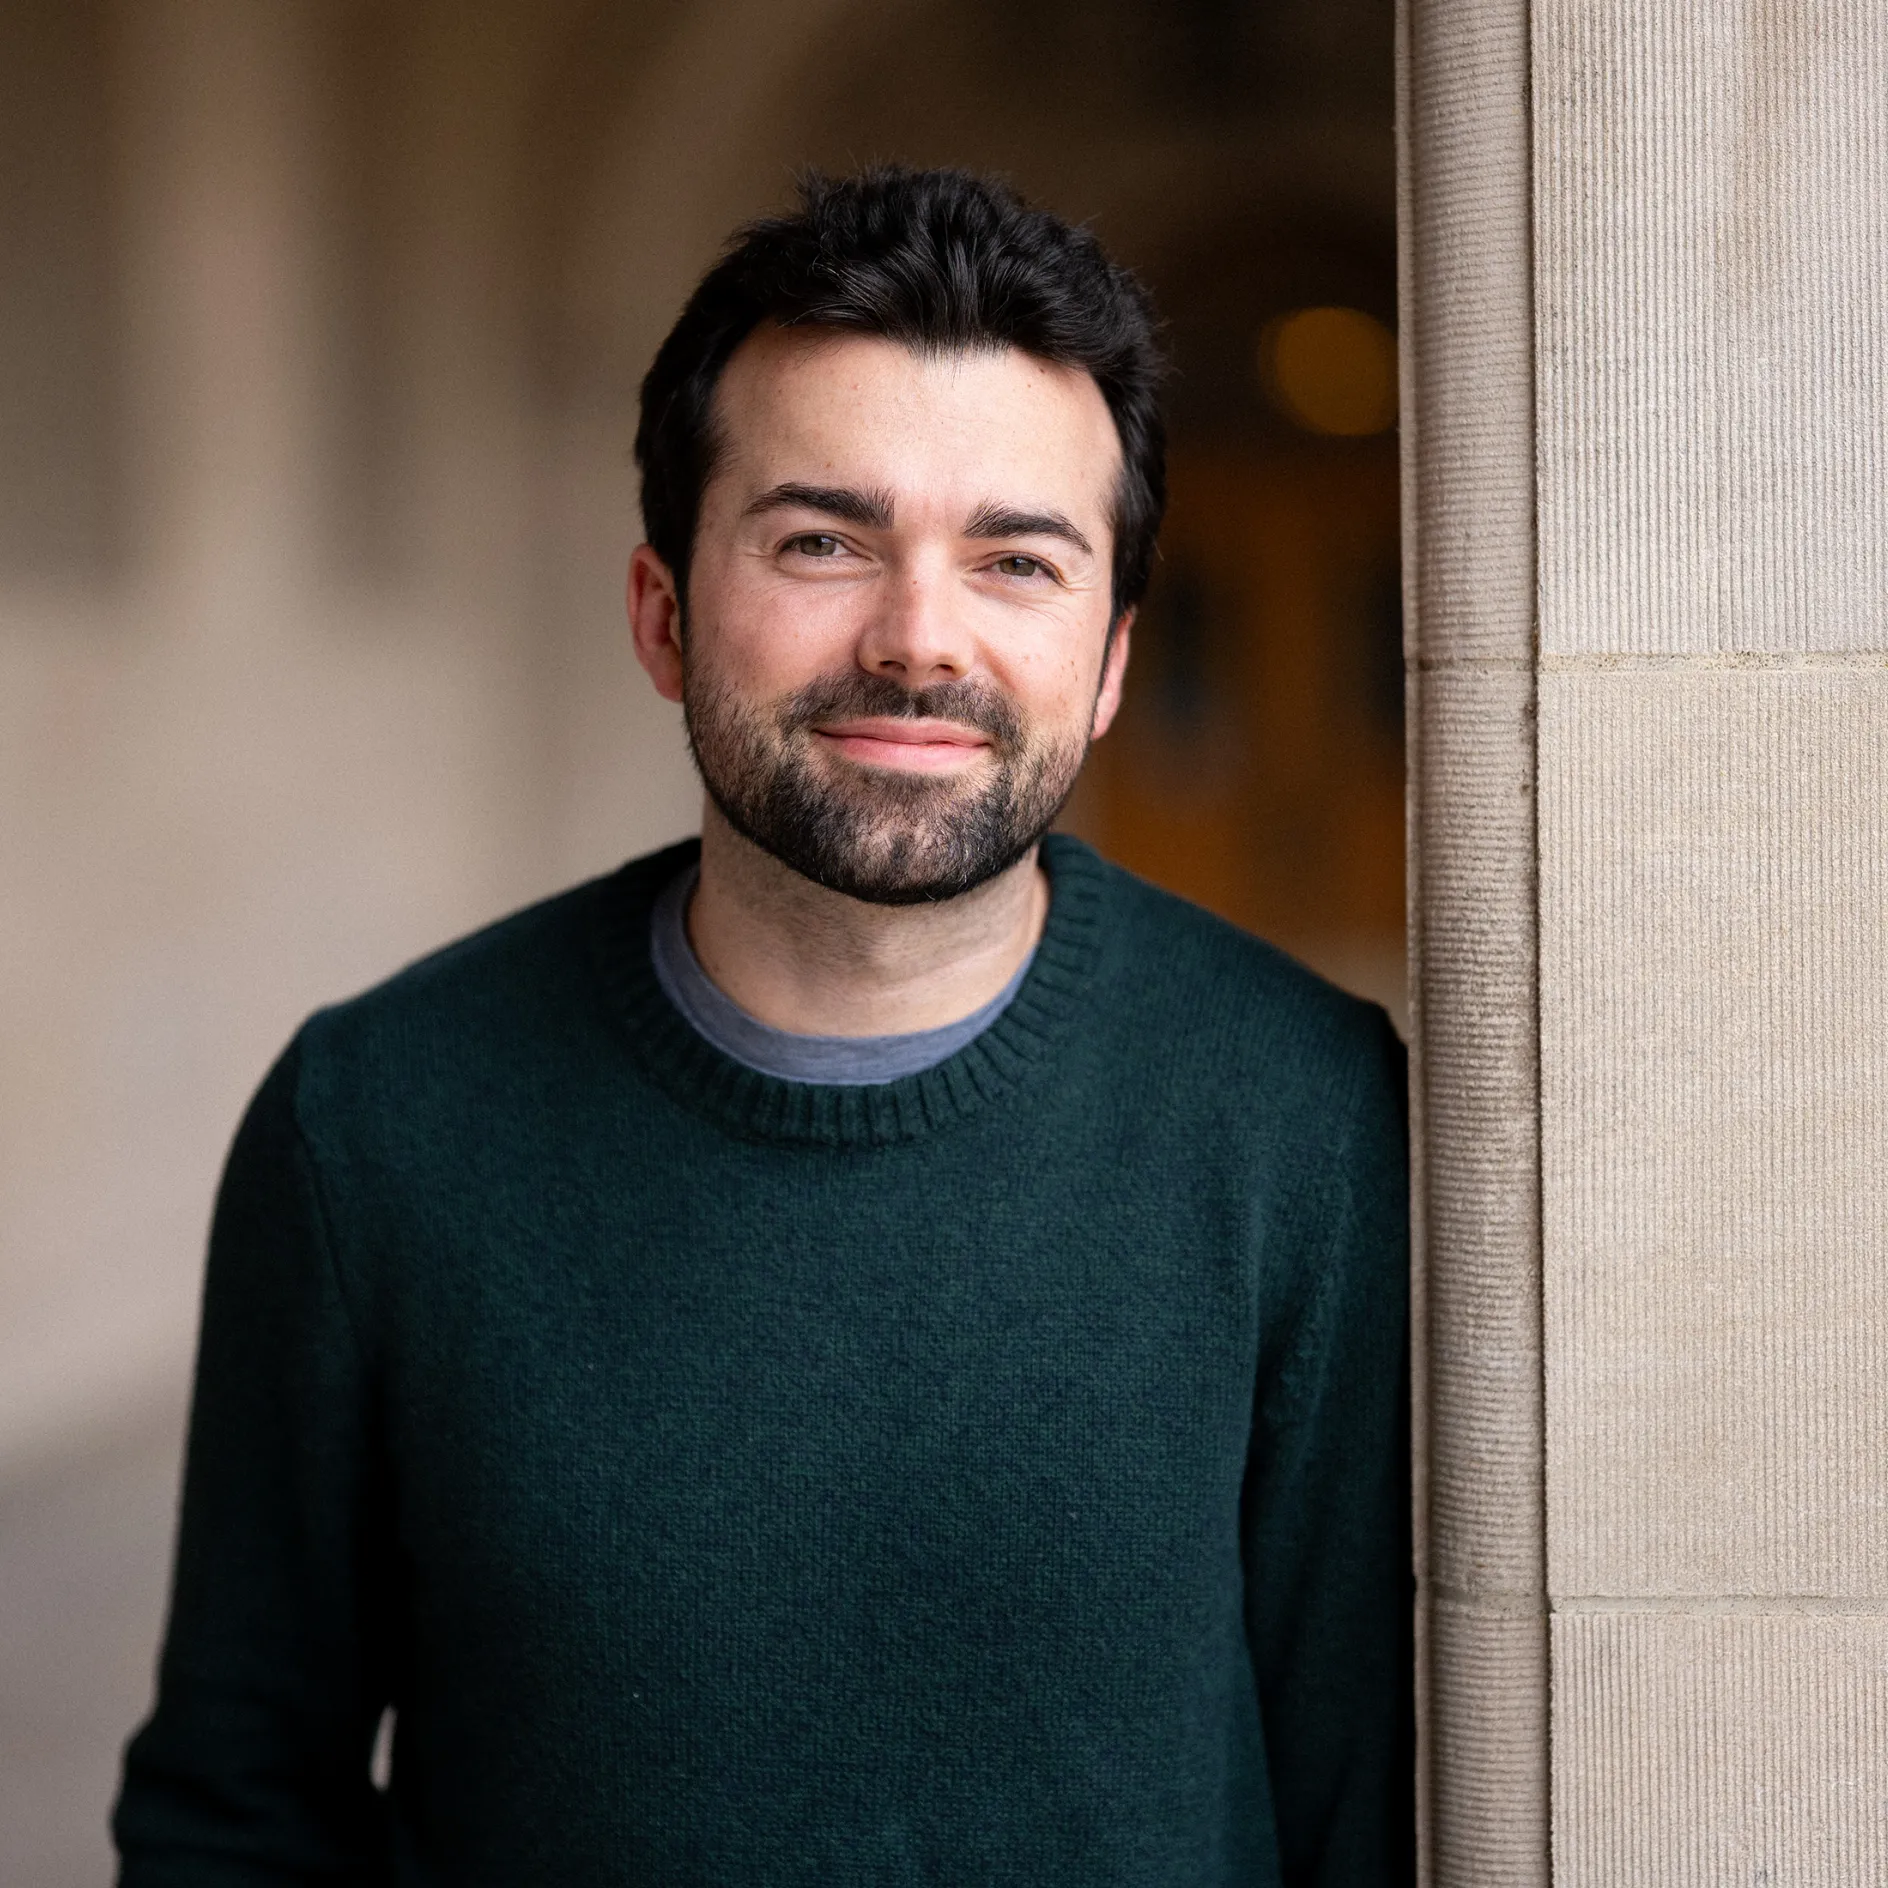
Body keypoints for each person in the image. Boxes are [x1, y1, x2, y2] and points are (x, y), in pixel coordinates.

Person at [115, 166, 1412, 1886]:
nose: (917, 641)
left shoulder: (1308, 1120)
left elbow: (1367, 1810)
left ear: (1108, 663)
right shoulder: (376, 1124)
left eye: (1017, 560)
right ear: (663, 614)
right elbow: (236, 1812)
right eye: (822, 541)